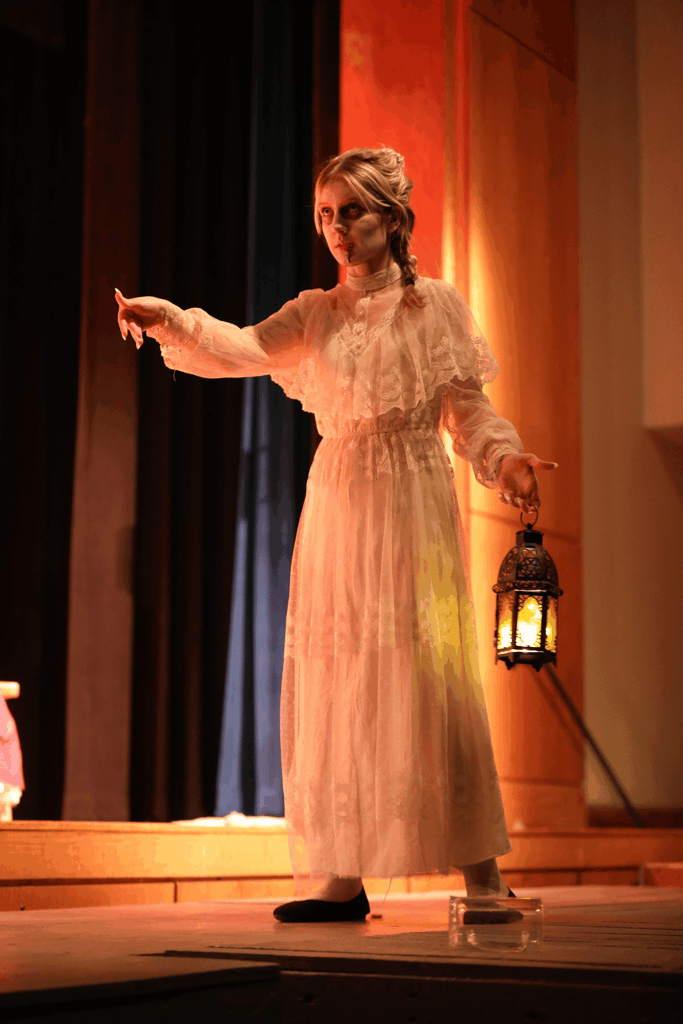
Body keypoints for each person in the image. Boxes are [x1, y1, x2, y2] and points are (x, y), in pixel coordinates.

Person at [116, 147, 556, 923]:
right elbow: (243, 347)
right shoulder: (317, 313)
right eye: (325, 214)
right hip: (340, 498)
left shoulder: (434, 307)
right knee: (340, 677)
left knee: (432, 678)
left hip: (410, 498)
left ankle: (482, 878)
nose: (336, 229)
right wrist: (170, 318)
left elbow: (468, 411)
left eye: (350, 210)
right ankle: (341, 877)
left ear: (391, 215)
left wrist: (506, 460)